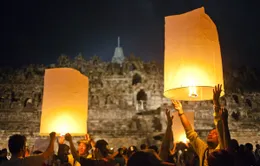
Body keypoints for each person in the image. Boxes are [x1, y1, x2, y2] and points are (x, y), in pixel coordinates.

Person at [172, 85, 224, 166]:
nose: (210, 134)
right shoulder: (203, 149)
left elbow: (219, 124)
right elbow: (190, 133)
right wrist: (180, 112)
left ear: (220, 139)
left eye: (214, 134)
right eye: (210, 132)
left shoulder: (222, 148)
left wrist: (216, 102)